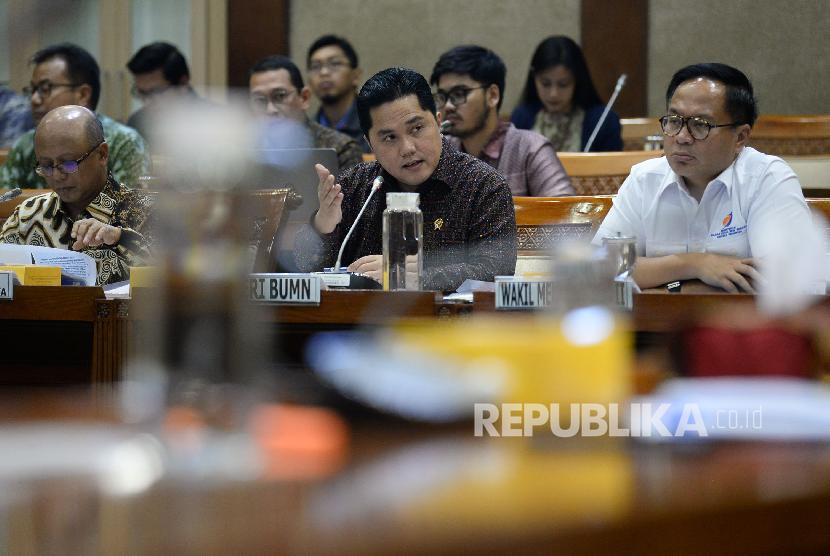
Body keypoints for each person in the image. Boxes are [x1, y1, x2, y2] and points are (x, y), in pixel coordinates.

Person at [592, 63, 811, 292]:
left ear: (740, 137)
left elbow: (787, 279)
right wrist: (693, 264)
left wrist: (663, 288)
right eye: (674, 121)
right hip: (652, 326)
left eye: (700, 125)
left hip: (739, 327)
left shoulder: (767, 178)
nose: (682, 137)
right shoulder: (645, 179)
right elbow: (601, 268)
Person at [293, 67, 517, 291]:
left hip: (448, 322)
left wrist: (414, 274)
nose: (407, 149)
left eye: (417, 128)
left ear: (439, 123)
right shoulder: (355, 186)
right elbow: (304, 266)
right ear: (370, 143)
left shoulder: (483, 186)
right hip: (361, 322)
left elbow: (496, 271)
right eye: (390, 137)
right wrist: (323, 225)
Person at [0, 105, 153, 286]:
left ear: (102, 154)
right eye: (47, 166)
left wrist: (120, 236)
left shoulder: (145, 210)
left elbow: (174, 281)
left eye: (69, 163)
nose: (57, 175)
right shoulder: (27, 216)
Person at [430, 45, 573, 197]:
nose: (448, 106)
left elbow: (566, 214)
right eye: (442, 96)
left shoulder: (530, 149)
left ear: (492, 95)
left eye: (459, 94)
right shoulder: (441, 151)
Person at [0, 43, 148, 189]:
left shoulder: (124, 143)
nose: (34, 99)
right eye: (32, 90)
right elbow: (4, 202)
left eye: (45, 88)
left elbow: (130, 207)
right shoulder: (25, 144)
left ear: (83, 94)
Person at [249, 55, 363, 170]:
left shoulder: (340, 148)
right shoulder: (242, 152)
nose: (270, 110)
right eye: (259, 100)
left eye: (280, 96)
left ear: (304, 98)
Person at [511, 36, 622, 152]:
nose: (553, 94)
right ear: (534, 79)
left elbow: (612, 168)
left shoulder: (603, 121)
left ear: (577, 81)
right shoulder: (521, 118)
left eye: (563, 84)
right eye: (545, 84)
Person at [126, 41, 208, 152]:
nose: (147, 102)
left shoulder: (214, 123)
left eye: (156, 92)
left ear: (183, 83)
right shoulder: (137, 122)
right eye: (142, 93)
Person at [306, 34, 370, 153]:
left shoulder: (373, 124)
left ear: (356, 76)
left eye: (334, 64)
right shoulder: (304, 133)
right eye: (316, 66)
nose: (324, 72)